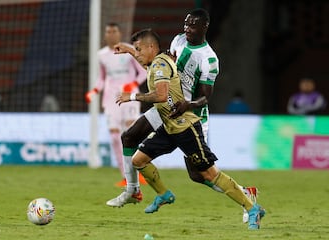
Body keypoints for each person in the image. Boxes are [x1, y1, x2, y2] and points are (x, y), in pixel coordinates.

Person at [106, 9, 259, 224]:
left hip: (189, 114)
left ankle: (245, 193)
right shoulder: (178, 40)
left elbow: (205, 98)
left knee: (198, 175)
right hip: (166, 106)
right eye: (186, 24)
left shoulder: (209, 59)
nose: (187, 29)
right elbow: (158, 63)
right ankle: (133, 190)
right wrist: (132, 50)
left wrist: (188, 104)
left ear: (204, 27)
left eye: (192, 25)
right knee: (129, 137)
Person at [85, 23, 147, 186]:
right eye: (108, 32)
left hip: (129, 96)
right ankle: (126, 176)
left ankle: (139, 171)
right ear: (105, 35)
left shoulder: (129, 50)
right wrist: (94, 91)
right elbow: (102, 78)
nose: (111, 34)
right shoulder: (101, 55)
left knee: (132, 134)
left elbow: (143, 72)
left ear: (120, 34)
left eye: (114, 31)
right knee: (114, 137)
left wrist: (131, 84)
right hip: (111, 98)